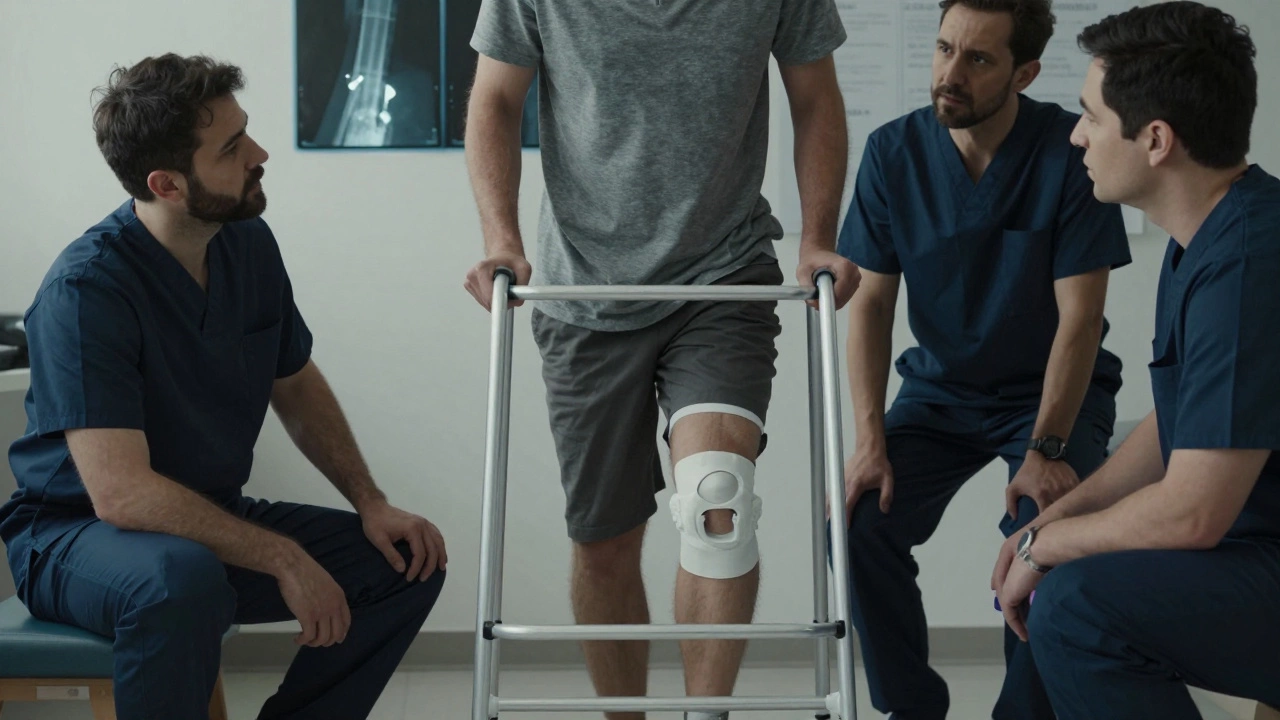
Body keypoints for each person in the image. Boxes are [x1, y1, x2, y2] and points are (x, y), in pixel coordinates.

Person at [0, 54, 447, 720]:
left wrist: (371, 501)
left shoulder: (247, 243)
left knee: (406, 562)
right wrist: (284, 559)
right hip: (72, 539)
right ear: (169, 184)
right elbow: (121, 495)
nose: (260, 154)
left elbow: (294, 385)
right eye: (233, 148)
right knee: (180, 580)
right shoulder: (86, 291)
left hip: (205, 521)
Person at [461, 1, 860, 718]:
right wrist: (501, 237)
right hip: (583, 290)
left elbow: (814, 94)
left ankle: (706, 715)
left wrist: (815, 239)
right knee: (604, 545)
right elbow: (494, 96)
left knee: (719, 499)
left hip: (721, 274)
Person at [835, 0, 1133, 717]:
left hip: (1051, 398)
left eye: (977, 59)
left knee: (1045, 535)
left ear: (1024, 71)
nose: (949, 74)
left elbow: (1080, 319)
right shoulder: (891, 154)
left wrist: (1047, 446)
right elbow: (871, 306)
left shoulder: (1071, 150)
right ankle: (911, 708)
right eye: (943, 50)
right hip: (939, 395)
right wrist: (870, 441)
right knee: (857, 525)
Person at [990, 3, 1280, 717]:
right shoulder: (1205, 238)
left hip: (1259, 552)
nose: (1076, 134)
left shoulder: (1247, 261)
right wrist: (1050, 526)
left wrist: (1046, 552)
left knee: (1076, 605)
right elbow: (1179, 421)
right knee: (1053, 570)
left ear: (1155, 139)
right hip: (1253, 544)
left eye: (1090, 114)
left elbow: (1192, 515)